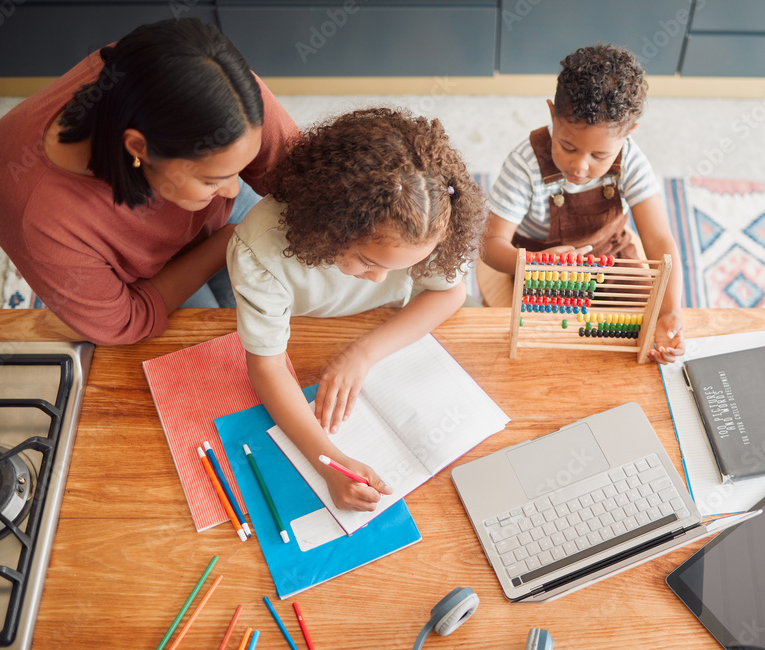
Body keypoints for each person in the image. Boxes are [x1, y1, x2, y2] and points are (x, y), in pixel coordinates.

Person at [227, 108, 486, 512]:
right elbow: (268, 366)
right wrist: (328, 462)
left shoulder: (428, 225)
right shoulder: (259, 253)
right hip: (307, 328)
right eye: (368, 262)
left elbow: (448, 294)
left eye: (399, 268)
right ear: (332, 226)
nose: (381, 279)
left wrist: (362, 353)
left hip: (390, 323)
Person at [0, 18, 299, 345]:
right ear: (138, 148)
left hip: (206, 223)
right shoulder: (39, 212)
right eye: (213, 179)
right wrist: (229, 242)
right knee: (218, 347)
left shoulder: (212, 85)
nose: (238, 189)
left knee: (283, 314)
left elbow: (300, 175)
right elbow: (124, 322)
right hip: (142, 284)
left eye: (241, 168)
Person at [480, 44, 685, 363]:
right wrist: (535, 264)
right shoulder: (524, 165)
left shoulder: (630, 158)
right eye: (567, 146)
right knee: (546, 352)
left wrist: (669, 311)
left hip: (611, 259)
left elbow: (659, 239)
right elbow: (490, 244)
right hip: (543, 268)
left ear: (628, 133)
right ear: (552, 114)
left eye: (599, 156)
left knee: (645, 327)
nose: (580, 166)